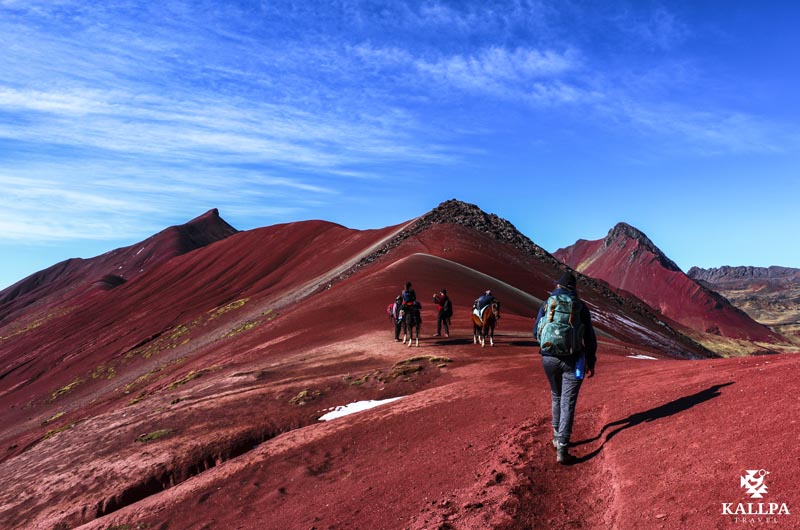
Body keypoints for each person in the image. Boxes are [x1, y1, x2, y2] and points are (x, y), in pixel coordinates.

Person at [533, 271, 597, 465]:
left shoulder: (547, 304)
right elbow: (590, 338)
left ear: (558, 286)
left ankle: (555, 434)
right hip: (574, 361)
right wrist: (590, 362)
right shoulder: (580, 307)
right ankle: (562, 447)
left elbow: (536, 331)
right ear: (573, 288)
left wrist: (548, 348)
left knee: (556, 395)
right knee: (568, 401)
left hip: (548, 359)